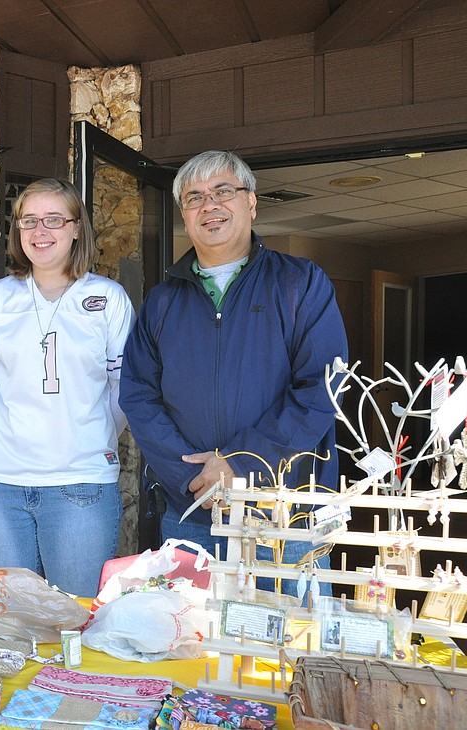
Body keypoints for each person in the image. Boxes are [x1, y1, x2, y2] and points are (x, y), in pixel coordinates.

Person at [119, 150, 347, 591]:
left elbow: (322, 386)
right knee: (191, 646)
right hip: (193, 513)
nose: (210, 205)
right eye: (195, 197)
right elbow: (138, 396)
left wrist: (240, 464)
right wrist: (192, 479)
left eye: (223, 191)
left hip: (283, 514)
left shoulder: (300, 283)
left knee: (292, 649)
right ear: (184, 215)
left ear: (252, 203)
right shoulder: (162, 302)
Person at [0, 178, 135, 596]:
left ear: (77, 228)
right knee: (12, 615)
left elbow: (123, 389)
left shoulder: (107, 299)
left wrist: (84, 431)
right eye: (29, 221)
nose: (40, 232)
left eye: (54, 220)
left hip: (80, 482)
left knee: (75, 615)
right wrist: (12, 424)